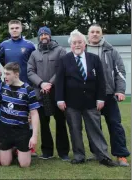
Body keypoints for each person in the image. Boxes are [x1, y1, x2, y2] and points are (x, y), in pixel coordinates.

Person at [55, 29, 116, 167]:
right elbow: (59, 82)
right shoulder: (64, 60)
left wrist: (101, 98)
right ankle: (79, 156)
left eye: (80, 42)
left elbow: (101, 81)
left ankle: (103, 156)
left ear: (85, 44)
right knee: (75, 130)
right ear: (70, 45)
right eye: (74, 43)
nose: (77, 45)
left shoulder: (94, 59)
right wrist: (59, 99)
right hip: (71, 103)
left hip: (91, 102)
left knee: (95, 130)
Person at [86, 24, 129, 166]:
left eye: (97, 32)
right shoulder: (82, 50)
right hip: (91, 96)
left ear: (102, 34)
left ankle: (121, 155)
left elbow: (120, 72)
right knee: (93, 127)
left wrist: (120, 90)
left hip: (109, 95)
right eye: (92, 32)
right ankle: (98, 153)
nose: (95, 34)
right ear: (88, 34)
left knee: (115, 124)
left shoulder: (111, 51)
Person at [27, 26, 70, 161]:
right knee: (44, 124)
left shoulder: (61, 51)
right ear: (39, 37)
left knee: (61, 123)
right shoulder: (34, 54)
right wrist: (41, 83)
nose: (44, 36)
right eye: (41, 34)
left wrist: (50, 83)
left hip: (57, 93)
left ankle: (63, 152)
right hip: (40, 93)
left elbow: (63, 70)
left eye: (46, 34)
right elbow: (30, 71)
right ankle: (47, 151)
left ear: (50, 36)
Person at [0, 62, 40, 168]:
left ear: (16, 74)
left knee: (24, 165)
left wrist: (34, 136)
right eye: (4, 74)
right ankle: (12, 149)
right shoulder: (2, 87)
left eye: (7, 74)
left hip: (21, 130)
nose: (5, 77)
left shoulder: (28, 90)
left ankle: (19, 149)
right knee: (5, 163)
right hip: (5, 129)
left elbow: (34, 114)